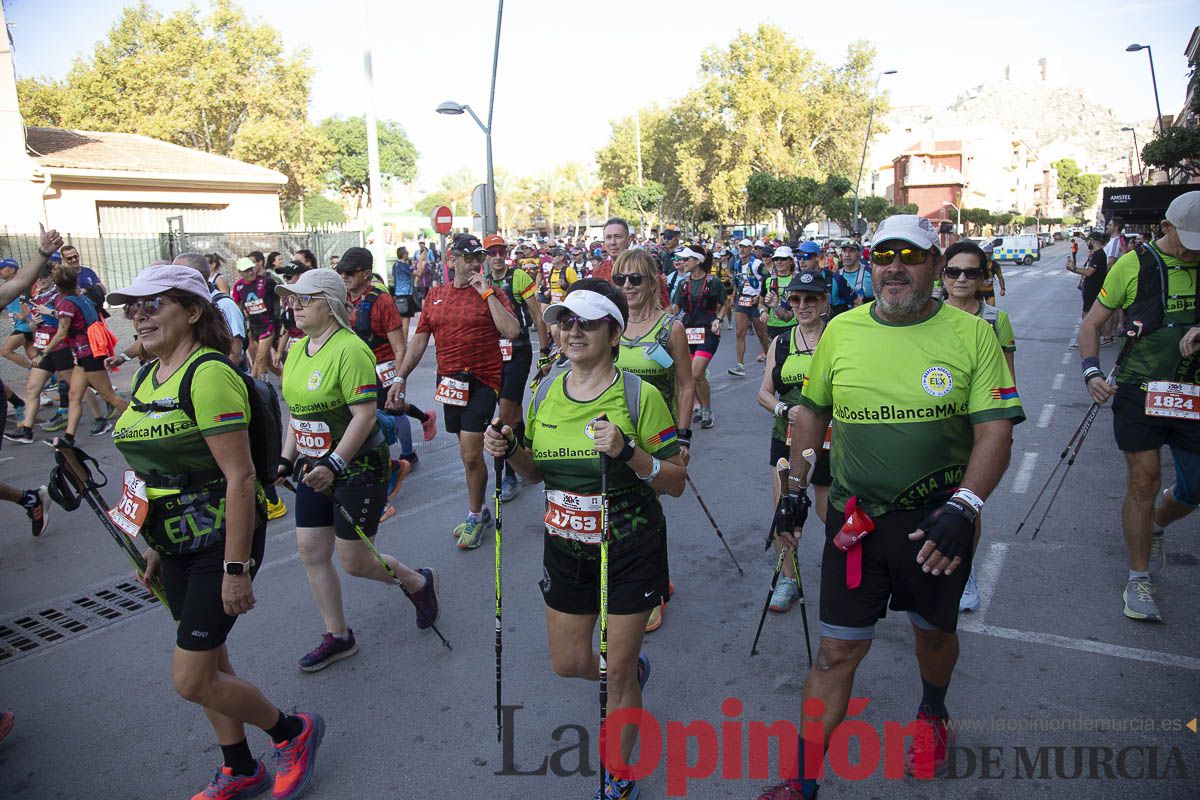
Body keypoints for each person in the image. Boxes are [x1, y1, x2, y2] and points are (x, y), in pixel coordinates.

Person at [762, 215, 1024, 799]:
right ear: (870, 264)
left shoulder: (973, 334)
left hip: (936, 525)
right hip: (855, 522)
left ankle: (933, 711)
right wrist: (796, 491)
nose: (895, 267)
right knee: (834, 653)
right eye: (884, 256)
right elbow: (812, 413)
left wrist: (966, 507)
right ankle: (801, 782)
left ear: (935, 264)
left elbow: (996, 431)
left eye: (910, 255)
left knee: (934, 636)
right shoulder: (843, 330)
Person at [108, 264, 323, 800]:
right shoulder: (148, 375)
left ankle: (292, 732)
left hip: (218, 540)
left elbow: (241, 477)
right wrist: (155, 545)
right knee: (211, 663)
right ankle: (239, 767)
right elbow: (156, 471)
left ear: (192, 311)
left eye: (152, 304)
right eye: (133, 307)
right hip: (174, 541)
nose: (139, 316)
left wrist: (234, 568)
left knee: (192, 679)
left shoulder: (208, 376)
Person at [482, 279, 685, 800]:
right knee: (569, 662)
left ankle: (618, 771)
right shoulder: (545, 390)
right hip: (566, 547)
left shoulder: (639, 396)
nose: (573, 331)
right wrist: (508, 449)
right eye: (565, 321)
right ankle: (629, 670)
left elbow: (675, 481)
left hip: (630, 547)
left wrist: (627, 452)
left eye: (588, 322)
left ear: (614, 334)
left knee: (617, 676)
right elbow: (534, 473)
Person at [275, 268, 440, 671]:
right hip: (313, 466)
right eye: (293, 299)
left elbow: (364, 416)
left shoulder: (350, 350)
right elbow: (298, 414)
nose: (295, 306)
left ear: (330, 305)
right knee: (311, 550)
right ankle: (338, 635)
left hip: (357, 467)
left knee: (355, 561)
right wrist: (285, 459)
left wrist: (334, 464)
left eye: (305, 299)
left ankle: (417, 582)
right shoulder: (298, 349)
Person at [1078, 191, 1200, 623]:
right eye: (1189, 241)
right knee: (1144, 480)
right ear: (1166, 227)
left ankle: (1157, 524)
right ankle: (1138, 577)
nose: (1194, 251)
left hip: (1193, 394)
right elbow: (1092, 324)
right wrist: (1092, 372)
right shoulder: (1131, 264)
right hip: (1139, 390)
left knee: (1195, 486)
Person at [386, 235, 520, 548]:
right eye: (468, 257)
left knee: (471, 454)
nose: (475, 263)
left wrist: (487, 293)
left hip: (482, 381)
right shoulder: (436, 295)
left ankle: (475, 515)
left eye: (479, 257)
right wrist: (400, 377)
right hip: (449, 384)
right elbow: (419, 340)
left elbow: (512, 330)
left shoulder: (493, 292)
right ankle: (480, 510)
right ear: (452, 259)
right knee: (466, 454)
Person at [613, 249, 694, 632]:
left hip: (657, 437)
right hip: (615, 437)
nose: (627, 286)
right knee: (624, 512)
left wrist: (683, 437)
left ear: (652, 283)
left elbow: (686, 385)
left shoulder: (669, 329)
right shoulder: (611, 325)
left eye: (635, 279)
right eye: (620, 279)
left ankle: (650, 591)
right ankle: (657, 581)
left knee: (644, 512)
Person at [939, 240, 1018, 613]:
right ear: (942, 275)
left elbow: (1007, 381)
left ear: (982, 277)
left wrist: (1000, 429)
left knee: (966, 501)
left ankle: (964, 572)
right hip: (936, 422)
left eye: (970, 272)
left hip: (976, 425)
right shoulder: (929, 315)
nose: (961, 279)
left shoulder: (995, 320)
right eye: (953, 271)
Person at [337, 248, 435, 520]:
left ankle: (401, 461)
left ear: (366, 274)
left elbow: (399, 346)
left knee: (389, 411)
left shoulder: (382, 301)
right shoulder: (341, 298)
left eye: (350, 272)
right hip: (355, 371)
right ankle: (396, 460)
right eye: (341, 272)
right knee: (363, 422)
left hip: (383, 367)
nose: (344, 276)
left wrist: (399, 381)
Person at [756, 271, 832, 615]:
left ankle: (847, 570)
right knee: (783, 510)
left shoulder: (837, 338)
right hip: (785, 438)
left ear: (824, 301)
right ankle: (788, 579)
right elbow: (764, 393)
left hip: (830, 440)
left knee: (829, 512)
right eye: (796, 299)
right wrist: (785, 410)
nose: (802, 305)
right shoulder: (782, 342)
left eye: (810, 298)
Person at [483, 233, 551, 502]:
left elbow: (537, 315)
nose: (498, 257)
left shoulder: (519, 277)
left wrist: (544, 352)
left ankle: (509, 475)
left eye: (502, 251)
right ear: (486, 257)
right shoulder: (484, 281)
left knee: (504, 413)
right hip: (493, 353)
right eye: (492, 253)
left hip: (519, 350)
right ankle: (524, 452)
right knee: (514, 411)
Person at [41, 263, 127, 442]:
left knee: (108, 394)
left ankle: (140, 425)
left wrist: (44, 352)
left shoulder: (66, 303)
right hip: (86, 353)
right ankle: (68, 438)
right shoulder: (82, 298)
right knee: (74, 395)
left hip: (88, 353)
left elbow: (62, 332)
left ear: (57, 285)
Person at [670, 244, 726, 430]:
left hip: (708, 332)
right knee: (691, 376)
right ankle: (701, 407)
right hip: (687, 333)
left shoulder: (713, 282)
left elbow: (725, 303)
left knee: (696, 373)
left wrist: (718, 319)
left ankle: (707, 409)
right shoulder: (682, 284)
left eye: (687, 259)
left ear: (697, 261)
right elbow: (675, 308)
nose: (683, 262)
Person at [232, 257, 280, 380]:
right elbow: (237, 304)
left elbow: (280, 294)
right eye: (246, 271)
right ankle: (283, 377)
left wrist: (278, 314)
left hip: (268, 325)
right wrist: (244, 314)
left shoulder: (266, 281)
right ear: (240, 272)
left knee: (260, 359)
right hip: (253, 327)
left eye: (251, 269)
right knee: (266, 362)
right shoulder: (238, 286)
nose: (250, 273)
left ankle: (263, 385)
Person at [728, 238, 770, 375]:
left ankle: (769, 359)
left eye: (745, 247)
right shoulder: (737, 264)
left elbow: (768, 278)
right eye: (740, 246)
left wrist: (761, 296)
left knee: (761, 333)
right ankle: (740, 365)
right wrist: (733, 296)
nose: (742, 249)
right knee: (740, 333)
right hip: (742, 300)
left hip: (756, 302)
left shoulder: (757, 264)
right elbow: (737, 281)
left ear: (751, 249)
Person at [1067, 231, 1108, 349]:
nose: (1087, 244)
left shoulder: (1099, 255)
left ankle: (1086, 340)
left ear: (1093, 241)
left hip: (1094, 289)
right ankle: (1091, 338)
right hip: (1091, 288)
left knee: (1087, 316)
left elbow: (1089, 272)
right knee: (1087, 314)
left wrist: (1074, 269)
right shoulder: (1096, 254)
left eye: (1088, 241)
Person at [0, 258, 37, 372]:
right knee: (32, 354)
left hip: (24, 326)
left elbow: (26, 303)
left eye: (2, 268)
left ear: (12, 270)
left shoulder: (18, 286)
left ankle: (34, 372)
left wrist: (23, 315)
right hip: (21, 325)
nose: (0, 271)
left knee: (6, 351)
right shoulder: (8, 286)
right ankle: (52, 375)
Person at [761, 246, 798, 346]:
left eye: (783, 259)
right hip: (773, 325)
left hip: (792, 324)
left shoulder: (797, 279)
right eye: (776, 259)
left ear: (791, 261)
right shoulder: (768, 279)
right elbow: (761, 302)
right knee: (775, 354)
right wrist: (763, 312)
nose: (779, 262)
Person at [391, 246, 418, 343]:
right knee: (406, 322)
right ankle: (404, 342)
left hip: (398, 295)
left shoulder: (395, 265)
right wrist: (420, 263)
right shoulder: (404, 266)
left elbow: (394, 279)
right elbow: (417, 273)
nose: (408, 255)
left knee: (399, 321)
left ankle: (398, 341)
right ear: (403, 254)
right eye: (407, 253)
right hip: (406, 295)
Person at [839, 240, 873, 306]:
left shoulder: (870, 272)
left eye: (851, 251)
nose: (847, 255)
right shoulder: (837, 275)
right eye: (844, 251)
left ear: (859, 253)